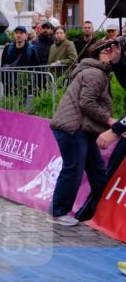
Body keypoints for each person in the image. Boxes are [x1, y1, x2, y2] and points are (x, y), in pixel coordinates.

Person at [48, 41, 116, 226]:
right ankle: (59, 211)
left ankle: (102, 207)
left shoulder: (95, 71)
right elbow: (87, 102)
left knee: (96, 169)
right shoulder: (95, 73)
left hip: (81, 129)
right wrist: (110, 121)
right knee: (74, 168)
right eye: (106, 51)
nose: (111, 53)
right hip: (73, 128)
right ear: (97, 55)